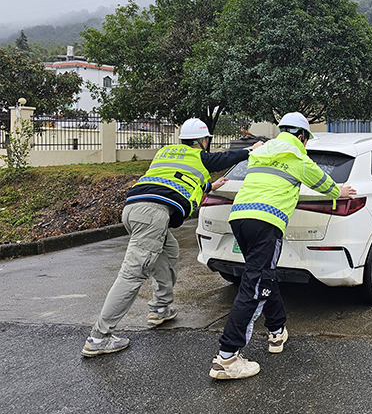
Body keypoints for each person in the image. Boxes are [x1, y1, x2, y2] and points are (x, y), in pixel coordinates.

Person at [81, 118, 263, 357]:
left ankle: (160, 309)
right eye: (206, 141)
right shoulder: (198, 156)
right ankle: (99, 337)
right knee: (132, 274)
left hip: (134, 209)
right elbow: (222, 159)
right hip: (152, 215)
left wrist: (209, 186)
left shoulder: (165, 153)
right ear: (202, 141)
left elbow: (177, 180)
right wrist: (251, 150)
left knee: (169, 253)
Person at [209, 112, 356, 380]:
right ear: (301, 136)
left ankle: (276, 332)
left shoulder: (261, 152)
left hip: (240, 218)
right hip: (266, 222)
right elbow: (323, 183)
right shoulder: (298, 157)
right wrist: (340, 192)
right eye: (306, 140)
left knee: (264, 275)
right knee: (255, 286)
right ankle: (227, 358)